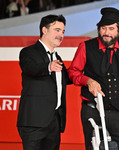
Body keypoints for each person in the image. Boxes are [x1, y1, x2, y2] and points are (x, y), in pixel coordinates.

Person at [67, 7, 119, 150]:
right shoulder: (86, 47)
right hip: (92, 111)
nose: (106, 33)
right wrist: (87, 80)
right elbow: (72, 72)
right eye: (103, 28)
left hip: (118, 112)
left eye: (111, 29)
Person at [17, 14, 71, 150]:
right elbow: (30, 68)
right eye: (57, 30)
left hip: (54, 122)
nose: (61, 35)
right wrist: (48, 67)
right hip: (34, 122)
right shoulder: (28, 52)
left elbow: (67, 78)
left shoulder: (57, 57)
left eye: (63, 31)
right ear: (44, 30)